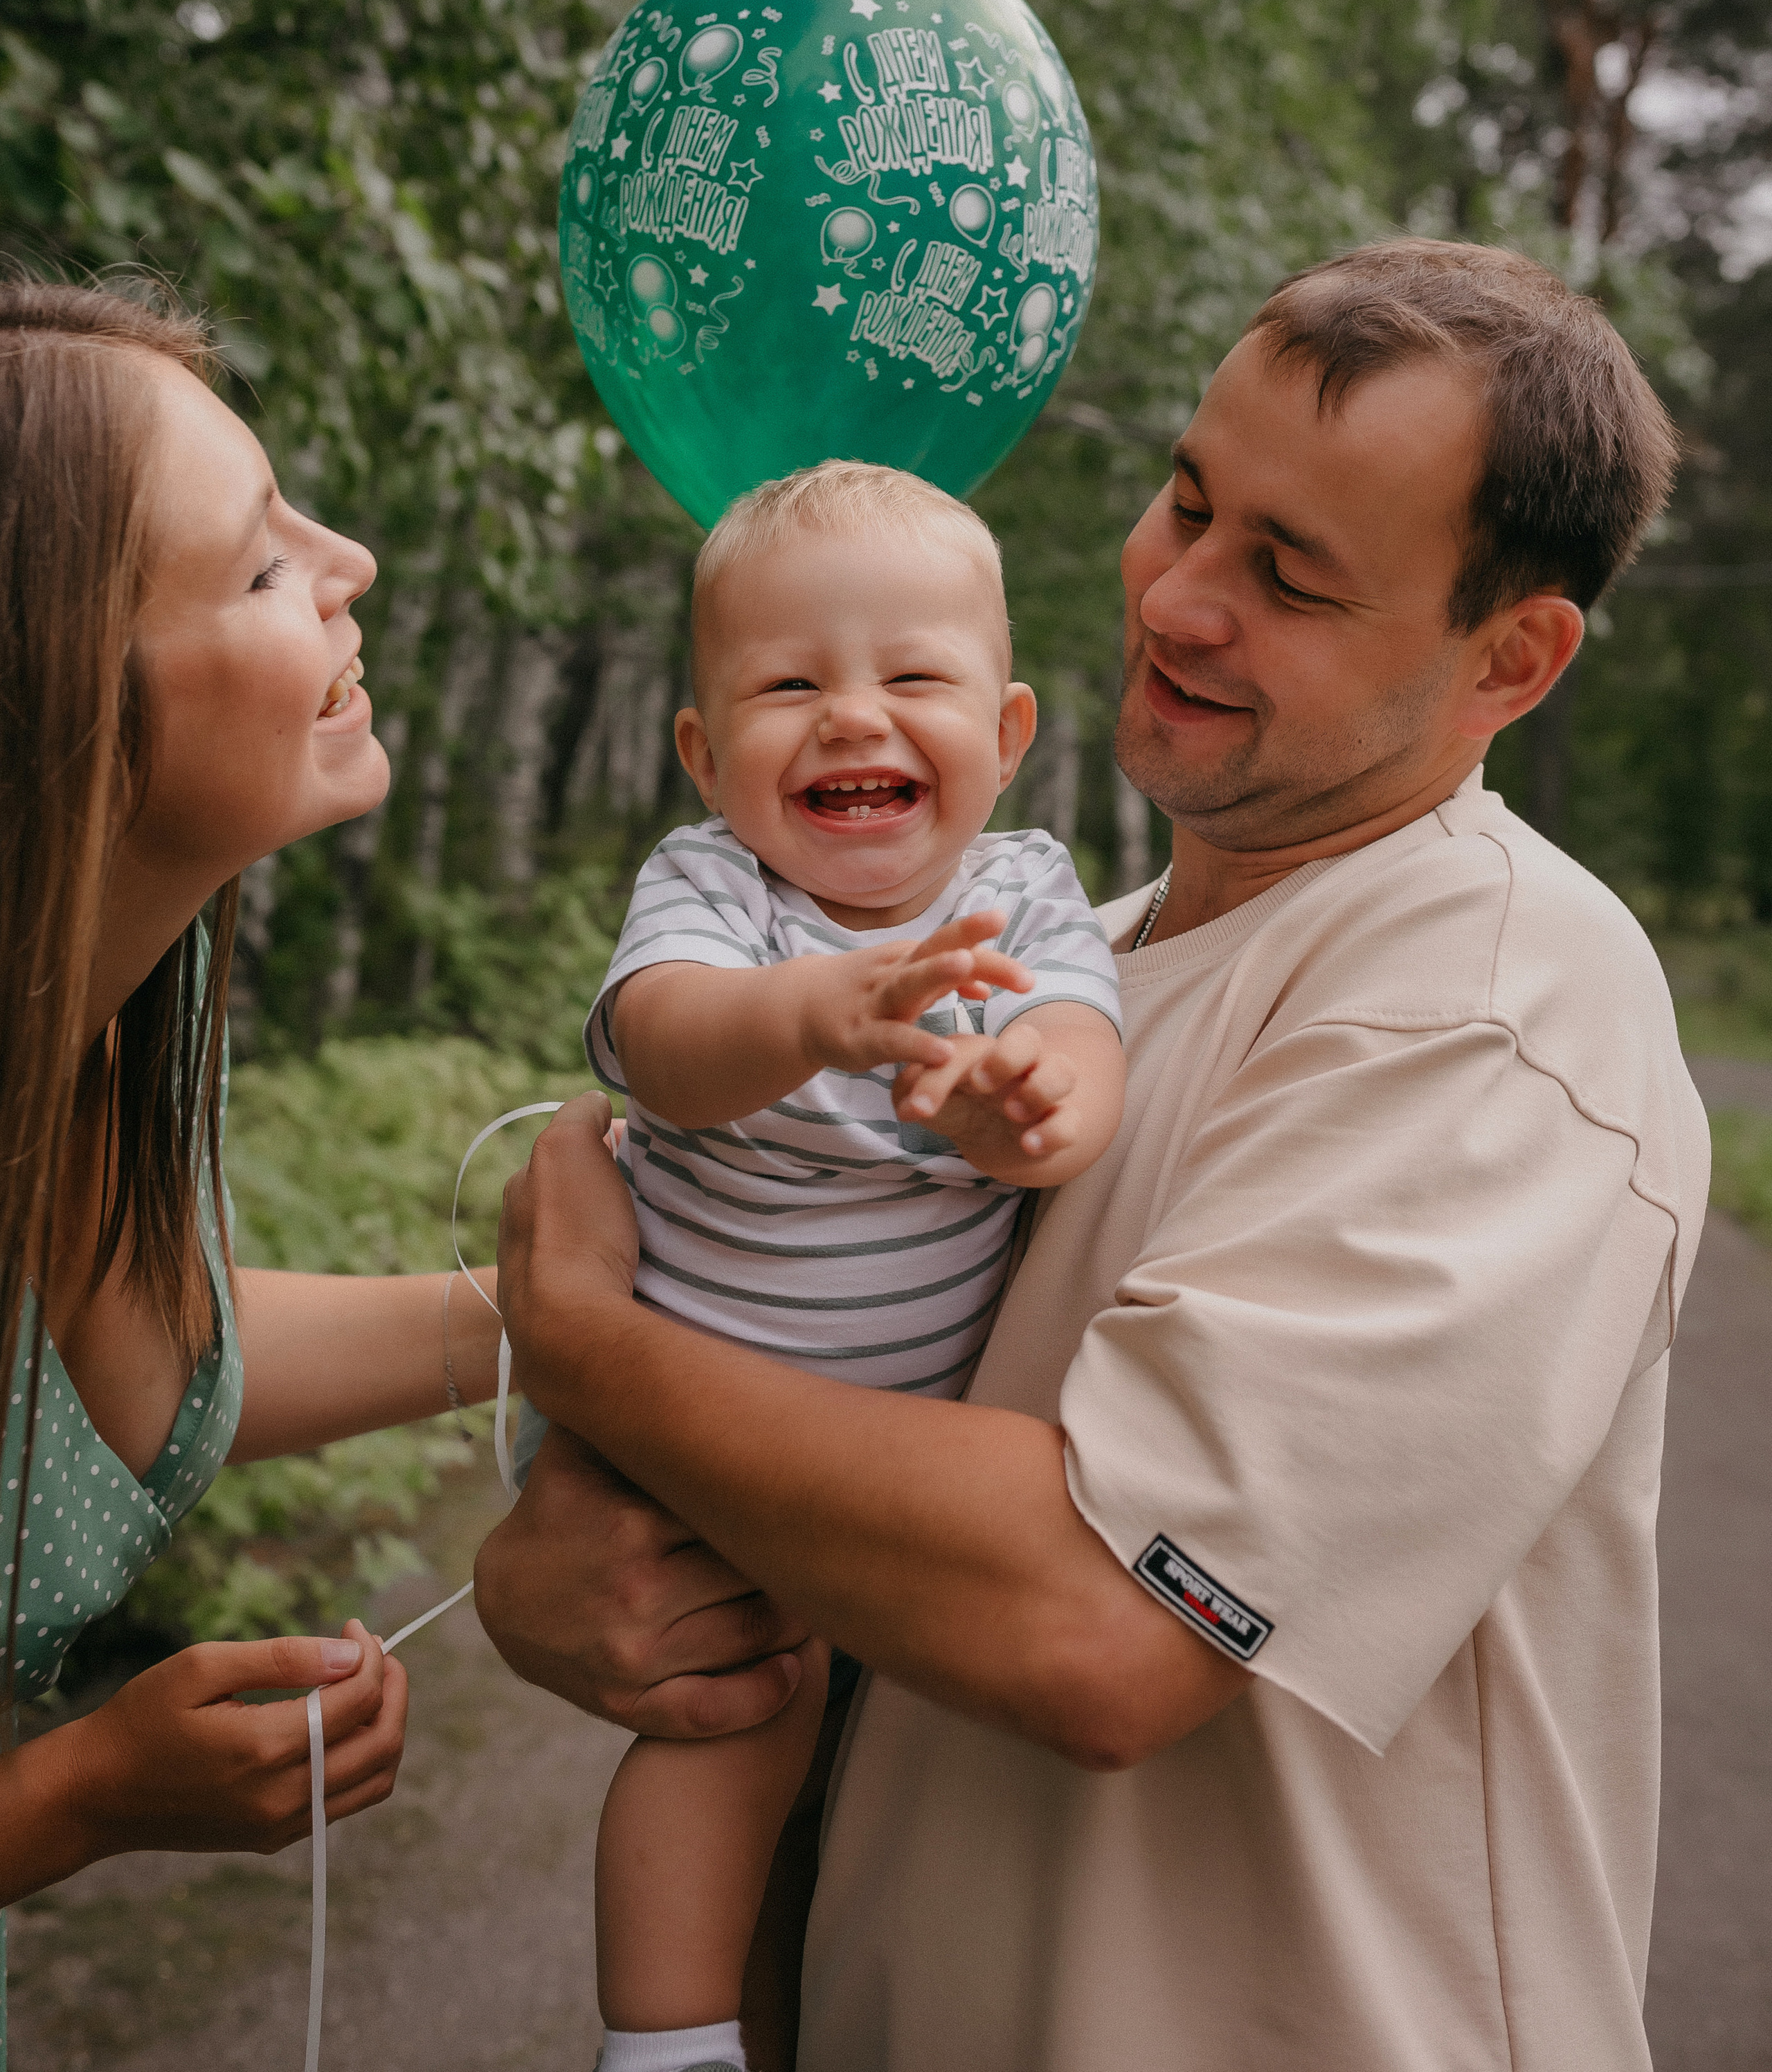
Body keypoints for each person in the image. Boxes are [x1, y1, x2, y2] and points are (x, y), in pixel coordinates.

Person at [479, 237, 1710, 2072]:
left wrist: (595, 1361)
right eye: (1188, 501)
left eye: (1286, 576)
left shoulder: (1493, 1003)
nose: (1179, 599)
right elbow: (824, 1420)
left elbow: (1104, 1631)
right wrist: (574, 1566)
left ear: (1509, 660)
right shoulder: (1078, 963)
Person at [552, 462, 1125, 2072]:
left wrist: (1028, 1112)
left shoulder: (1022, 892)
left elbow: (1078, 1052)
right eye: (788, 682)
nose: (851, 718)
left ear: (1005, 737)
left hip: (903, 1460)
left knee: (881, 1791)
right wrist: (819, 1014)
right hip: (694, 1423)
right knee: (743, 1713)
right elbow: (659, 1051)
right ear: (702, 751)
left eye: (912, 677)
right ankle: (660, 2047)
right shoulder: (715, 890)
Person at [0, 281, 510, 2058]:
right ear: (60, 689)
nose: (350, 557)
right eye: (262, 567)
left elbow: (162, 1383)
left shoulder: (95, 1043)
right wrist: (73, 1797)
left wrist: (574, 1321)